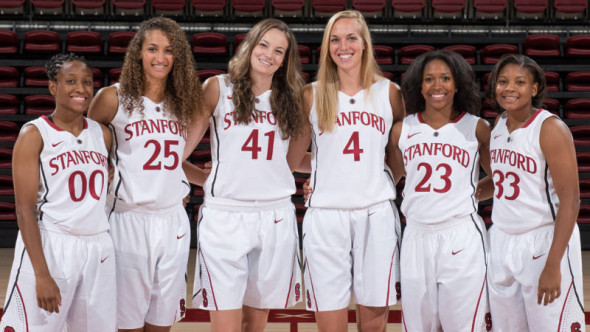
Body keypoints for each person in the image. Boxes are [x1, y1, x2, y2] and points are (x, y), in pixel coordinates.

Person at [181, 18, 305, 332]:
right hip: (225, 215)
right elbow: (176, 154)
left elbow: (287, 164)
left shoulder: (293, 99)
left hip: (274, 216)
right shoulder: (218, 87)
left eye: (279, 50)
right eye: (264, 44)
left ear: (285, 59)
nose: (269, 54)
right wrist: (205, 179)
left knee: (256, 323)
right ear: (250, 45)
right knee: (225, 323)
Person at [287, 10, 405, 332]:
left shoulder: (389, 93)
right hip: (326, 216)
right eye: (335, 40)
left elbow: (398, 154)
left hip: (376, 214)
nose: (344, 46)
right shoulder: (311, 94)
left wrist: (383, 180)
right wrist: (323, 171)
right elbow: (294, 159)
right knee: (330, 322)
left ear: (365, 43)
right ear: (327, 47)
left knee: (374, 323)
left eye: (351, 37)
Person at [87, 17, 203, 332]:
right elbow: (87, 155)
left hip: (173, 223)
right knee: (127, 323)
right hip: (127, 219)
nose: (160, 57)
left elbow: (174, 161)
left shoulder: (185, 103)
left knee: (161, 321)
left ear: (178, 56)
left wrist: (210, 180)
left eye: (168, 50)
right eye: (152, 48)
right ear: (138, 52)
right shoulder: (112, 98)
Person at [0, 53, 115, 331]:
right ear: (53, 87)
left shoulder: (103, 133)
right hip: (52, 244)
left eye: (87, 82)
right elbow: (24, 211)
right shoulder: (34, 134)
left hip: (97, 246)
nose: (81, 89)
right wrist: (41, 274)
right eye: (71, 81)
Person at [391, 49, 492, 331]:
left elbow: (501, 178)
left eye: (445, 78)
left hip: (460, 234)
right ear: (419, 86)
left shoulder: (477, 128)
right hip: (416, 234)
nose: (437, 86)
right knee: (418, 326)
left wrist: (471, 194)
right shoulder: (403, 130)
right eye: (429, 79)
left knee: (463, 326)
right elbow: (387, 179)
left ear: (457, 84)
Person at [486, 54, 585, 330]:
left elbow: (571, 200)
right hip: (503, 240)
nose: (509, 88)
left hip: (542, 240)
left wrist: (553, 264)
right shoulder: (498, 125)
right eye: (503, 81)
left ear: (534, 88)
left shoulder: (550, 128)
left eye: (520, 82)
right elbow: (500, 182)